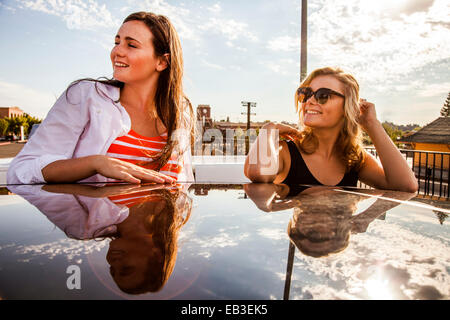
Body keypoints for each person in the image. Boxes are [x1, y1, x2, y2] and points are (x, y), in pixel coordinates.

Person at [7, 11, 194, 185]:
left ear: (162, 62)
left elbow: (183, 185)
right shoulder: (85, 97)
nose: (117, 52)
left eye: (131, 45)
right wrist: (94, 164)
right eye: (117, 42)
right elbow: (21, 169)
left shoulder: (180, 115)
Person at [244, 67, 418, 192]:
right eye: (305, 93)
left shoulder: (353, 157)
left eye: (323, 96)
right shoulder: (286, 150)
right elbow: (257, 174)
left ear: (347, 107)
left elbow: (406, 186)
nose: (309, 101)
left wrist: (372, 124)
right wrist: (268, 130)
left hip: (337, 238)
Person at [8, 182, 192, 294]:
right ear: (157, 256)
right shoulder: (166, 199)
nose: (112, 261)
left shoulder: (84, 219)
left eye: (112, 269)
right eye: (126, 268)